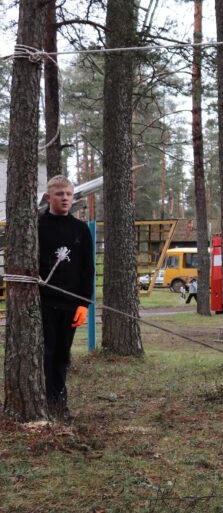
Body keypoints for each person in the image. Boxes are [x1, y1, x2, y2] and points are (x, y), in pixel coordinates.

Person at [38, 175, 94, 422]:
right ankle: (43, 401)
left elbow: (87, 269)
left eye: (69, 194)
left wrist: (84, 303)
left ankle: (59, 403)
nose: (65, 198)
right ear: (48, 197)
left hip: (70, 304)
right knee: (46, 353)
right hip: (43, 303)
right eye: (59, 194)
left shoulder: (80, 229)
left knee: (62, 353)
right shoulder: (38, 227)